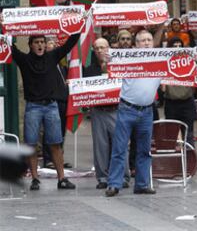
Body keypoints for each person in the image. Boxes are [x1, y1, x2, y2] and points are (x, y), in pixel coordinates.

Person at [11, 33, 80, 190]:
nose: (40, 45)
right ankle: (35, 179)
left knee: (56, 143)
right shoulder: (24, 60)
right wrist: (4, 26)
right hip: (33, 107)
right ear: (30, 45)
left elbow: (70, 43)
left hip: (51, 106)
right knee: (31, 145)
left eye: (42, 42)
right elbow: (9, 47)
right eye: (36, 42)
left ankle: (61, 178)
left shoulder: (52, 56)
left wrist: (80, 24)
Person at [105, 29, 163, 197]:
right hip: (127, 109)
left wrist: (192, 58)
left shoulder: (160, 59)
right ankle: (114, 184)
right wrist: (109, 59)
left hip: (146, 111)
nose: (146, 43)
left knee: (144, 150)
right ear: (136, 44)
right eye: (142, 40)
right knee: (120, 148)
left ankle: (142, 184)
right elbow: (108, 63)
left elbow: (183, 64)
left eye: (149, 40)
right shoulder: (127, 58)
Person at [83, 38, 130, 190]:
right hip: (98, 111)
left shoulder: (118, 66)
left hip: (116, 110)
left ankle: (123, 176)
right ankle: (102, 177)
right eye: (97, 48)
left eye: (103, 47)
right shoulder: (89, 68)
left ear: (109, 48)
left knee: (121, 144)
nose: (100, 51)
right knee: (100, 146)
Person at [42, 38, 71, 169]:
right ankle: (48, 159)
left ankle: (59, 158)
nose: (53, 49)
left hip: (64, 101)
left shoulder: (62, 66)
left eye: (55, 46)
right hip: (52, 101)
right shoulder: (45, 64)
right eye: (50, 47)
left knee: (60, 133)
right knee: (50, 131)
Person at [163, 37, 196, 147]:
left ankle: (190, 157)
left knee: (189, 134)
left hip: (187, 102)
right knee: (172, 134)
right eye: (174, 45)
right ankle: (175, 159)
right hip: (171, 103)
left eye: (179, 45)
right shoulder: (165, 62)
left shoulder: (189, 61)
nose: (177, 48)